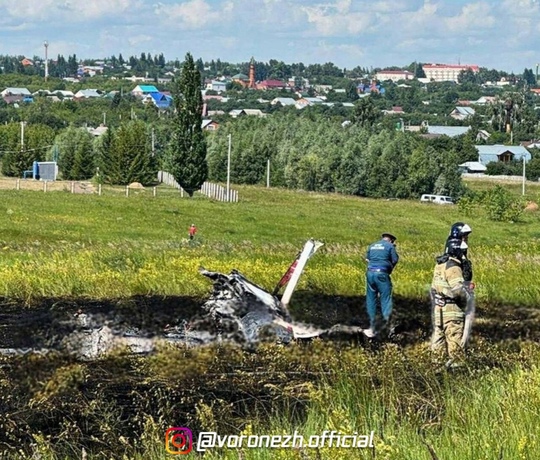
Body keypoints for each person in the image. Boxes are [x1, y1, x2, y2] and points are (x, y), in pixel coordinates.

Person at [430, 238, 472, 368]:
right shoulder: (453, 267)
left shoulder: (440, 265)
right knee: (455, 344)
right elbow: (458, 291)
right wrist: (468, 302)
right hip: (452, 312)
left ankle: (437, 371)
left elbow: (433, 288)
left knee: (438, 343)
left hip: (439, 311)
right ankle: (456, 374)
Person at [364, 232, 399, 338]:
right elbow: (395, 259)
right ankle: (387, 326)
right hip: (382, 274)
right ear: (391, 240)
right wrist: (390, 268)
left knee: (371, 299)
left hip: (370, 273)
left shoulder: (372, 245)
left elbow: (367, 259)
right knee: (385, 299)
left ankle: (372, 326)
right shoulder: (389, 246)